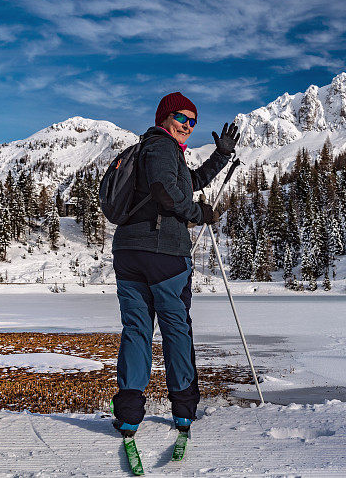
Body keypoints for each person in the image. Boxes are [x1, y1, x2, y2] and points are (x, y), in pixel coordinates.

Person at [110, 91, 239, 439]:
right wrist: (199, 214)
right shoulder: (162, 147)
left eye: (193, 121)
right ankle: (183, 410)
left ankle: (128, 416)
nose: (188, 126)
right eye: (182, 118)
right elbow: (168, 192)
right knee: (175, 330)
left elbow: (189, 182)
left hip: (129, 253)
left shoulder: (154, 151)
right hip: (163, 255)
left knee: (137, 330)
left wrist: (221, 156)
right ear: (165, 117)